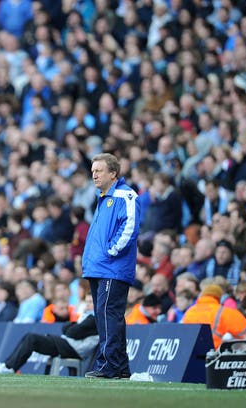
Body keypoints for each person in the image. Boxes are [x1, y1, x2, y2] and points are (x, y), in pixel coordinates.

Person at [82, 153, 140, 379]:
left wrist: (110, 251)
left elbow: (130, 228)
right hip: (99, 268)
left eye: (99, 170)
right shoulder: (103, 197)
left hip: (112, 268)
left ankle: (109, 365)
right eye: (93, 170)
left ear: (113, 173)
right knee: (105, 316)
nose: (94, 174)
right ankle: (120, 366)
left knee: (109, 315)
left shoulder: (125, 196)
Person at [0, 294, 98, 374]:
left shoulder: (94, 318)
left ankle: (9, 367)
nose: (88, 305)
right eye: (87, 302)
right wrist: (72, 326)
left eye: (91, 302)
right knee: (29, 337)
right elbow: (66, 328)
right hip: (68, 345)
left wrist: (72, 327)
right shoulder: (89, 316)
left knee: (32, 338)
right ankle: (7, 365)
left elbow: (71, 332)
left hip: (73, 348)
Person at [181, 284, 246, 350]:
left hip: (192, 353)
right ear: (219, 297)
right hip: (215, 355)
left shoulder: (189, 311)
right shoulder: (224, 312)